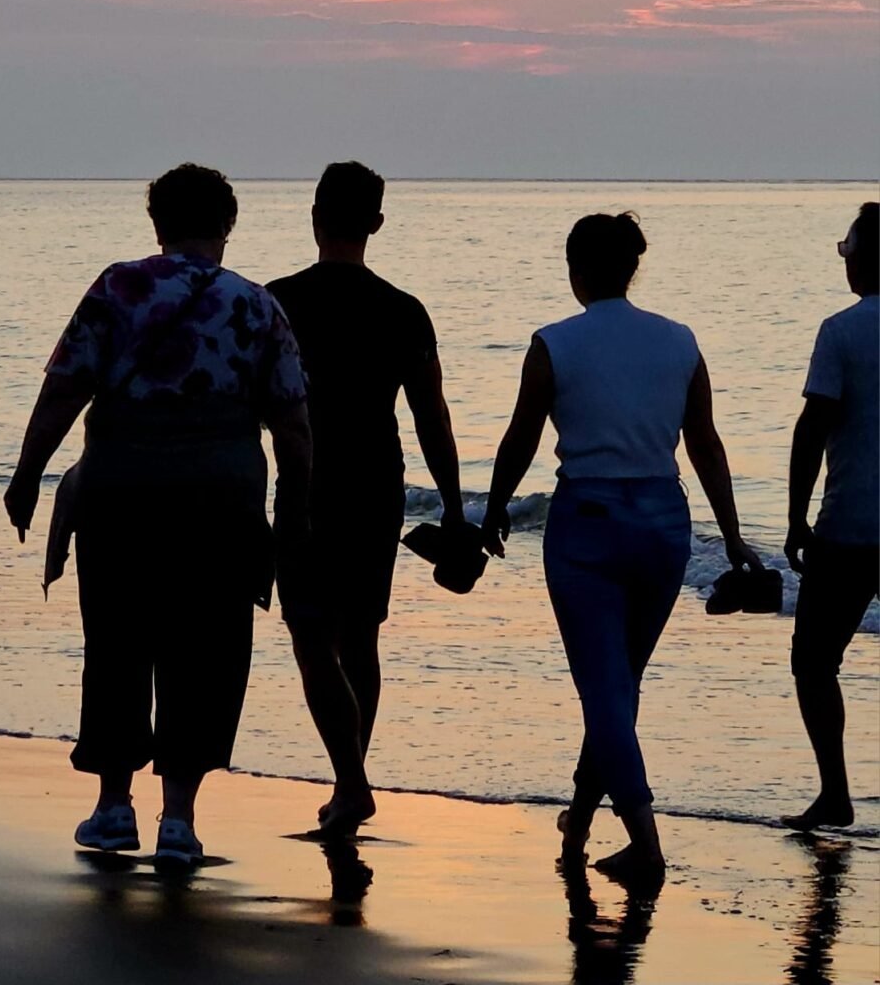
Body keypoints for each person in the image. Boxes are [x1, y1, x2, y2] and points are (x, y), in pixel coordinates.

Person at [4, 163, 311, 866]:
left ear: (157, 222)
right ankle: (178, 820)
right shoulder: (256, 305)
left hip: (123, 490)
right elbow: (294, 424)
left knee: (118, 640)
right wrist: (294, 511)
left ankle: (114, 808)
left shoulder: (118, 288)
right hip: (221, 499)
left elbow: (63, 390)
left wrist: (27, 475)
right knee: (207, 650)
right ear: (227, 224)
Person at [482, 212, 761, 882]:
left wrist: (492, 509)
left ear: (575, 269)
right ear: (631, 269)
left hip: (587, 522)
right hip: (663, 522)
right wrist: (731, 536)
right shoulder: (679, 341)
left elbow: (521, 437)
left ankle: (645, 843)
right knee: (617, 686)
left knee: (605, 689)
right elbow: (705, 443)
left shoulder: (554, 343)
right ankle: (579, 820)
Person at [266, 161, 464, 834]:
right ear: (376, 223)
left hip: (305, 482)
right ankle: (349, 780)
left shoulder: (277, 301)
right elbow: (431, 416)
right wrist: (454, 509)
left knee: (310, 633)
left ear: (314, 215)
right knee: (360, 637)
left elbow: (248, 404)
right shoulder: (403, 309)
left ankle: (351, 781)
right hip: (378, 483)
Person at [782, 202, 879, 832]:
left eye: (847, 252)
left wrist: (796, 519)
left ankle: (836, 793)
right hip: (852, 529)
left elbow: (813, 426)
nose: (843, 264)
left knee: (815, 661)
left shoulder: (841, 331)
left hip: (851, 527)